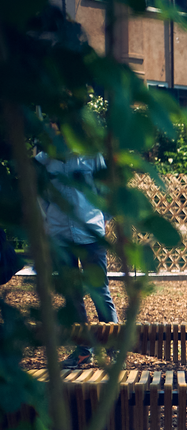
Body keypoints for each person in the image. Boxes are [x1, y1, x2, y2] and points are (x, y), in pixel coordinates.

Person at [36, 151, 119, 368]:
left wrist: (104, 218)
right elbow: (41, 195)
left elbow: (105, 188)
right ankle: (83, 351)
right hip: (60, 235)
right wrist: (48, 223)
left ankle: (114, 348)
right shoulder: (44, 159)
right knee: (72, 295)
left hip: (90, 232)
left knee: (100, 291)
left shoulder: (91, 155)